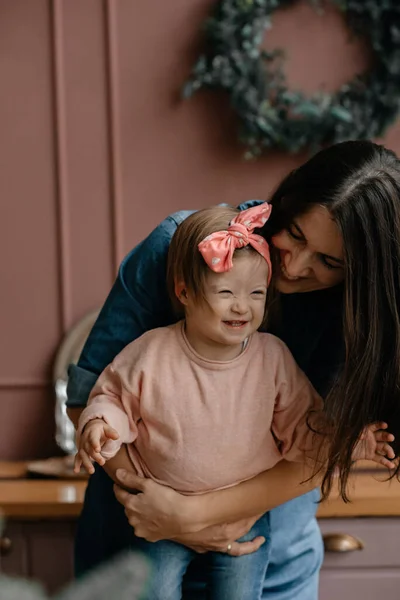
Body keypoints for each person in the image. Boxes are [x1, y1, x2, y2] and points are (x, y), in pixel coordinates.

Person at [67, 140, 400, 599]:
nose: (296, 265)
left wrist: (194, 515)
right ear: (288, 199)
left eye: (329, 262)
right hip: (138, 548)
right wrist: (159, 507)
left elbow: (320, 440)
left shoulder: (361, 315)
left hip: (265, 559)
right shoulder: (182, 246)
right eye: (297, 235)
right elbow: (89, 396)